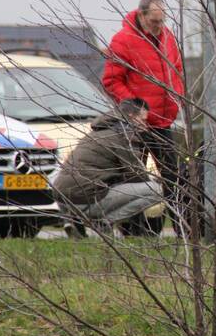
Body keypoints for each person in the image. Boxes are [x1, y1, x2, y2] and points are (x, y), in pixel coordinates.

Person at [102, 0, 185, 234]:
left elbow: (177, 70)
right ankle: (133, 231)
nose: (159, 27)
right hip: (136, 124)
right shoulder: (122, 41)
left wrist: (176, 95)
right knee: (133, 178)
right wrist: (135, 108)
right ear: (142, 15)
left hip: (163, 121)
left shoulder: (168, 37)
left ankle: (182, 230)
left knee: (173, 177)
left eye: (162, 21)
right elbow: (111, 81)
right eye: (154, 22)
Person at [53, 98, 165, 236]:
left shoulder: (98, 131)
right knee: (157, 190)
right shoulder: (123, 135)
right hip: (85, 198)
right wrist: (160, 181)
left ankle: (73, 218)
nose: (145, 125)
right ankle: (105, 221)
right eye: (143, 119)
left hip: (62, 197)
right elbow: (137, 175)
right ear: (131, 117)